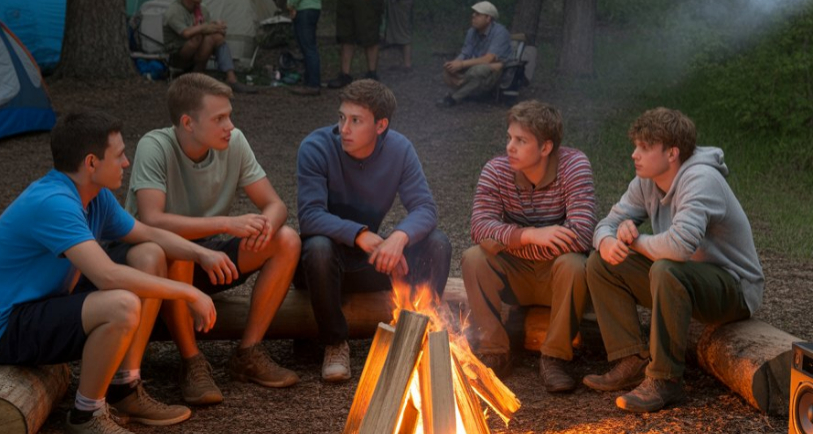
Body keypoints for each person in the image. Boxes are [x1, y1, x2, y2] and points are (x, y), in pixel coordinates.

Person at [0, 110, 221, 434]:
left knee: (148, 254)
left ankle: (125, 388)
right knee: (121, 303)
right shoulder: (54, 203)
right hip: (7, 327)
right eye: (118, 155)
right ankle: (85, 418)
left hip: (45, 302)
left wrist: (201, 255)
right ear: (91, 162)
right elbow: (107, 276)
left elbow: (146, 233)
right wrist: (188, 291)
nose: (126, 161)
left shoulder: (94, 195)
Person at [123, 73, 302, 405]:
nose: (230, 125)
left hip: (210, 256)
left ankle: (248, 353)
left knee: (287, 239)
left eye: (229, 116)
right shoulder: (155, 146)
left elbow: (275, 204)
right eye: (220, 118)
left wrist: (265, 226)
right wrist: (227, 223)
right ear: (188, 123)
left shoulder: (234, 142)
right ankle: (192, 362)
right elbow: (152, 219)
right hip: (157, 266)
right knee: (178, 252)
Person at [583, 108, 764, 414]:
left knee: (667, 269)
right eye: (635, 146)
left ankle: (665, 381)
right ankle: (632, 359)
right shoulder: (646, 181)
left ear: (672, 153)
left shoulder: (701, 179)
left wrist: (635, 240)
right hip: (683, 279)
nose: (634, 155)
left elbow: (680, 247)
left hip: (732, 288)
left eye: (644, 147)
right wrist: (609, 241)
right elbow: (605, 225)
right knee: (601, 263)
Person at [296, 79, 452, 382]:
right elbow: (310, 217)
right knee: (317, 246)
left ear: (381, 125)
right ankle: (334, 343)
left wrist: (398, 237)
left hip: (373, 261)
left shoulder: (399, 149)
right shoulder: (315, 147)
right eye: (342, 117)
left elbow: (425, 208)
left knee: (438, 242)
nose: (344, 128)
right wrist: (360, 235)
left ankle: (418, 333)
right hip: (323, 265)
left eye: (356, 121)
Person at [462, 101, 596, 393]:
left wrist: (505, 242)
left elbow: (582, 234)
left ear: (546, 147)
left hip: (558, 278)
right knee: (473, 258)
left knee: (574, 262)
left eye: (521, 141)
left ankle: (555, 357)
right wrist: (530, 235)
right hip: (517, 276)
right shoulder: (496, 170)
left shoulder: (574, 165)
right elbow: (479, 227)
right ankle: (495, 350)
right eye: (510, 138)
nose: (510, 147)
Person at [163, 0, 257, 94]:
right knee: (197, 36)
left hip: (197, 53)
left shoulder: (202, 9)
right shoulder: (174, 11)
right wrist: (206, 27)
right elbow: (186, 33)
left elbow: (207, 31)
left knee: (216, 37)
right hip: (178, 55)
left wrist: (217, 27)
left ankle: (231, 79)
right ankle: (189, 74)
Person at [438, 1, 513, 107]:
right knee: (449, 68)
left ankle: (454, 97)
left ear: (488, 18)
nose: (473, 16)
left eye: (478, 14)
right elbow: (465, 53)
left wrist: (462, 64)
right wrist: (454, 63)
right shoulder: (472, 32)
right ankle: (462, 83)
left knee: (477, 71)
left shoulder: (500, 32)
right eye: (474, 13)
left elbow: (489, 59)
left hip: (498, 72)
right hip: (478, 67)